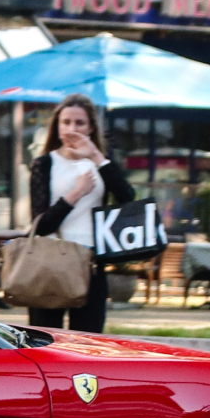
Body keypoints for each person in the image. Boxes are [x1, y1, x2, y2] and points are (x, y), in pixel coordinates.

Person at [25, 93, 134, 332]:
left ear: (91, 128)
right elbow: (41, 224)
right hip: (50, 261)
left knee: (88, 341)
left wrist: (95, 155)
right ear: (57, 127)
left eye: (79, 123)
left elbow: (128, 198)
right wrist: (76, 194)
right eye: (66, 122)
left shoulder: (102, 162)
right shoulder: (45, 164)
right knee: (46, 338)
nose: (72, 129)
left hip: (91, 263)